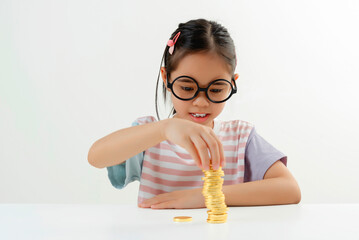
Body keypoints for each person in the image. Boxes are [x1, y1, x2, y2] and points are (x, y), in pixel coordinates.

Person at [88, 18, 301, 209]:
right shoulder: (150, 135)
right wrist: (165, 129)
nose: (201, 102)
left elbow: (290, 189)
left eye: (216, 89)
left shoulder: (240, 137)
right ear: (166, 78)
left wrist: (205, 196)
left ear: (232, 83)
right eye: (187, 88)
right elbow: (96, 157)